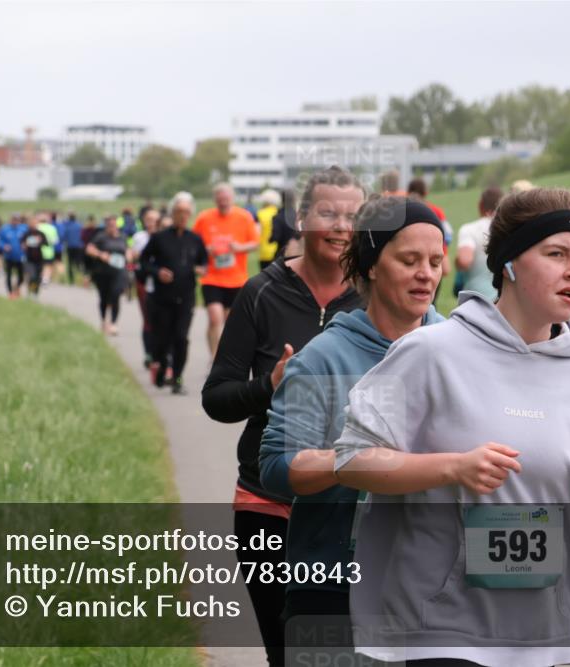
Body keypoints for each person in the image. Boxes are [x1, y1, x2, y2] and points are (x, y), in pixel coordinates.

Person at [333, 187, 570, 667]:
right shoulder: (431, 352)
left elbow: (567, 504)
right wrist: (454, 467)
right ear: (509, 264)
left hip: (543, 631)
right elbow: (351, 460)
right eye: (555, 254)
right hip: (441, 627)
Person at [259, 196, 446, 659]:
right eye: (409, 260)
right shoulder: (321, 358)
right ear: (371, 265)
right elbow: (277, 466)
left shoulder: (460, 350)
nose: (426, 273)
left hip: (436, 587)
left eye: (436, 261)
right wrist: (356, 463)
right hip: (330, 587)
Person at [201, 166, 366, 667]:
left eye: (353, 216)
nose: (340, 226)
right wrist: (268, 385)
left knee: (342, 652)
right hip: (267, 502)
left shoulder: (376, 295)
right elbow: (216, 398)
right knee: (287, 654)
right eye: (327, 213)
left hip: (350, 508)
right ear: (301, 218)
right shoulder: (261, 293)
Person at [136, 192, 207, 394]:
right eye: (179, 211)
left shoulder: (195, 239)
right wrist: (157, 272)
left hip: (186, 297)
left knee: (181, 338)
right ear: (172, 213)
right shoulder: (159, 238)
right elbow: (142, 263)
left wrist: (201, 269)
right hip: (161, 298)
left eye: (186, 212)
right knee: (162, 339)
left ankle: (177, 378)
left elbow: (203, 261)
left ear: (190, 214)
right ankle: (159, 366)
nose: (183, 215)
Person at [193, 182, 260, 358]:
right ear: (215, 199)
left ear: (232, 198)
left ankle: (224, 356)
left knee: (230, 322)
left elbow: (255, 243)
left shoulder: (244, 217)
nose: (223, 202)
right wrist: (207, 250)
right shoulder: (204, 218)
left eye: (226, 199)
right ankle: (215, 359)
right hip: (211, 278)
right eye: (220, 199)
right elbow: (193, 243)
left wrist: (239, 247)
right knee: (215, 318)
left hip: (236, 278)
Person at [407, 177, 452, 302]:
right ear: (425, 192)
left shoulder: (401, 209)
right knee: (431, 300)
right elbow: (447, 235)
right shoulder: (436, 211)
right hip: (434, 254)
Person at [455, 185, 504, 299]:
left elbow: (464, 261)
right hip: (502, 299)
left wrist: (456, 262)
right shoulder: (508, 229)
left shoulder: (469, 229)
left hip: (475, 299)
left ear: (480, 205)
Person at [86, 216, 132, 335]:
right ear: (107, 226)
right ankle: (103, 321)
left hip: (119, 272)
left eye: (114, 224)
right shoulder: (100, 237)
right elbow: (89, 249)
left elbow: (127, 249)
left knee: (116, 294)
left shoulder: (123, 236)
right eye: (110, 225)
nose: (112, 227)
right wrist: (100, 254)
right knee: (104, 298)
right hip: (102, 272)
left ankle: (113, 323)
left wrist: (129, 256)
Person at [132, 209, 161, 372]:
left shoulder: (165, 237)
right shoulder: (139, 237)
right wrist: (134, 256)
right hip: (144, 281)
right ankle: (149, 353)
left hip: (161, 284)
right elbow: (133, 256)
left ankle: (163, 353)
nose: (151, 223)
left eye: (154, 220)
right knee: (148, 319)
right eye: (148, 220)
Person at [0, 215, 29, 299]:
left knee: (21, 277)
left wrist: (26, 245)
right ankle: (10, 293)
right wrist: (4, 246)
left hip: (21, 257)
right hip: (9, 257)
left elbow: (29, 239)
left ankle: (16, 289)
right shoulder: (5, 229)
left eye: (16, 220)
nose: (15, 222)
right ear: (10, 220)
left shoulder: (24, 229)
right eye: (13, 220)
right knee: (8, 275)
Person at [256, 189, 282, 270]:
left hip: (264, 252)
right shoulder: (279, 213)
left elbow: (257, 232)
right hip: (277, 251)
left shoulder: (260, 214)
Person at [21, 219, 48, 297]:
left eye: (35, 224)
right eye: (32, 224)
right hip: (29, 258)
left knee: (37, 277)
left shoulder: (41, 234)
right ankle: (31, 290)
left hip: (39, 258)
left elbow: (45, 243)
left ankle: (35, 292)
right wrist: (28, 243)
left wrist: (37, 241)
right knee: (32, 276)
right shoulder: (26, 234)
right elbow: (23, 244)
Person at [61, 211, 85, 285]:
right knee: (79, 264)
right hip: (79, 247)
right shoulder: (79, 226)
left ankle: (71, 281)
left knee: (70, 264)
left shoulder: (67, 226)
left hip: (70, 247)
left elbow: (63, 237)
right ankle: (82, 279)